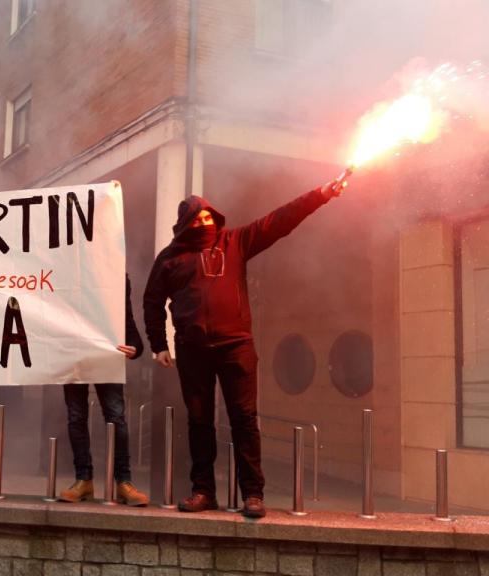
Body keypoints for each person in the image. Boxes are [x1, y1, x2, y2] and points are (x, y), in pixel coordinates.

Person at [142, 175, 347, 518]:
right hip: (192, 350)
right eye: (197, 218)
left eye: (208, 216)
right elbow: (152, 301)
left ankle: (253, 494)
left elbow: (280, 220)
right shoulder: (169, 258)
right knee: (199, 421)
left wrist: (321, 194)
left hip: (236, 345)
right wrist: (158, 344)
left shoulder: (235, 241)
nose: (205, 221)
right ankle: (203, 491)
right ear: (185, 223)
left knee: (245, 420)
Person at [58, 275, 148, 506]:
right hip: (74, 350)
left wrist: (136, 346)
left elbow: (124, 316)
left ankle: (123, 482)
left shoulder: (114, 270)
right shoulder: (66, 270)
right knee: (77, 416)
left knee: (115, 416)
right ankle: (84, 479)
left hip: (105, 352)